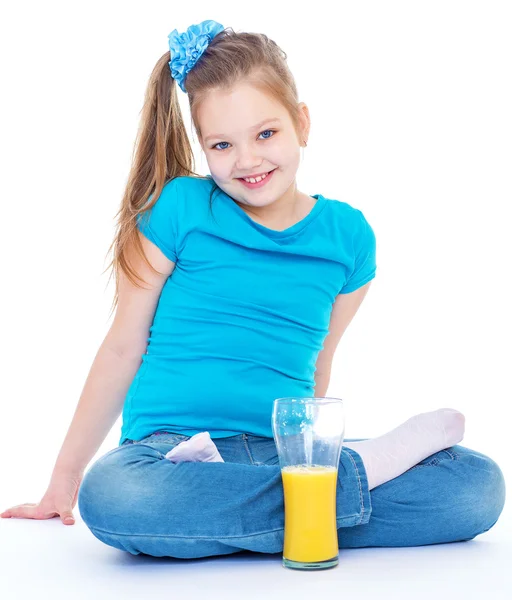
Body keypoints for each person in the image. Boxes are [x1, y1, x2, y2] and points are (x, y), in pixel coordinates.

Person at [1, 20, 506, 559]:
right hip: (171, 454)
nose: (247, 160)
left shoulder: (348, 237)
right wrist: (64, 481)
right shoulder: (180, 208)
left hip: (281, 452)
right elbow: (124, 346)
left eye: (266, 134)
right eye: (223, 144)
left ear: (302, 123)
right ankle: (337, 495)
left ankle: (257, 515)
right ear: (203, 146)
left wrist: (312, 457)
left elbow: (318, 365)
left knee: (475, 487)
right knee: (116, 495)